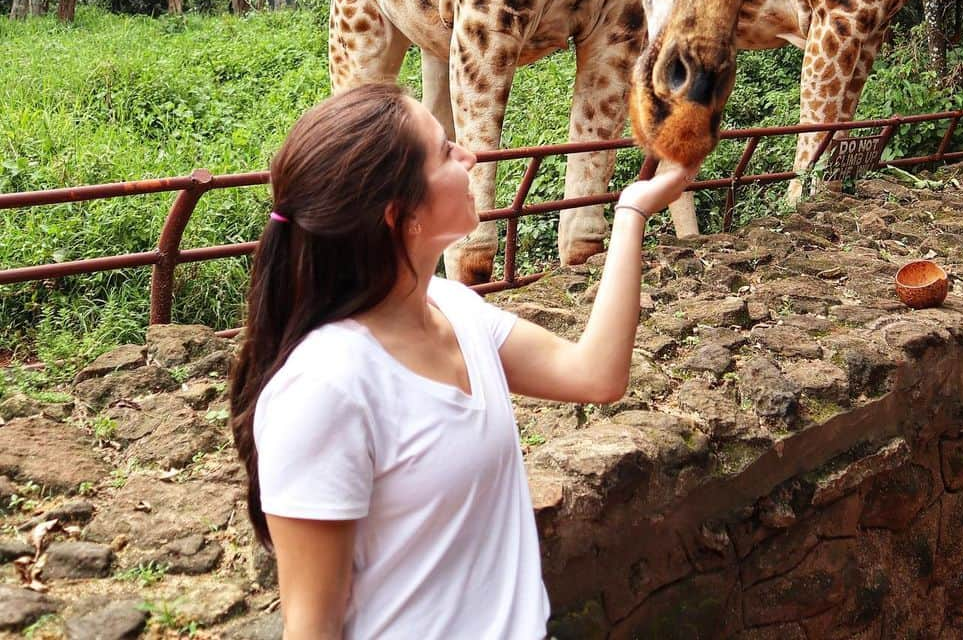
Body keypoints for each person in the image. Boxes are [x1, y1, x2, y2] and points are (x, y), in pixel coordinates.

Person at [229, 83, 695, 640]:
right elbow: (313, 629)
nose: (469, 156)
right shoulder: (326, 388)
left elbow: (594, 374)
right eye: (446, 150)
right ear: (400, 216)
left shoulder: (454, 308)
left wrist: (631, 211)